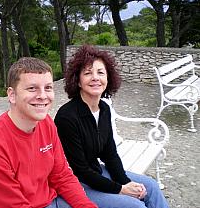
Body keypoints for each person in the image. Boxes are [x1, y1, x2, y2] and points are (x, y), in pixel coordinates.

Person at [0, 57, 97, 208]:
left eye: (48, 88)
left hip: (52, 200)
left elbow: (61, 175)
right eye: (32, 88)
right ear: (12, 95)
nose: (43, 96)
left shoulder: (46, 123)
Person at [54, 45, 170, 208]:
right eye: (88, 73)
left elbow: (109, 154)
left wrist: (126, 182)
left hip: (96, 172)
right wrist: (121, 189)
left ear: (108, 78)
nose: (95, 78)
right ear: (78, 81)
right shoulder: (67, 117)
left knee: (151, 187)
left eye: (100, 72)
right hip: (76, 182)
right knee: (135, 205)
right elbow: (80, 170)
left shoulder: (104, 109)